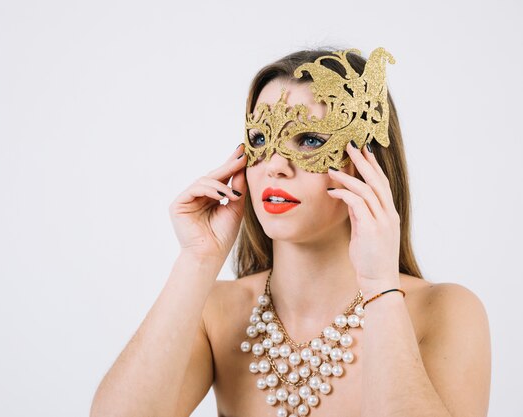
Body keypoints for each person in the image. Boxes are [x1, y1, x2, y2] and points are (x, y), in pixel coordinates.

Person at [90, 47, 491, 417]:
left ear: (368, 167)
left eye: (311, 140)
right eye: (262, 139)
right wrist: (196, 258)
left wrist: (379, 287)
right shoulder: (216, 312)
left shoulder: (445, 312)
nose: (276, 166)